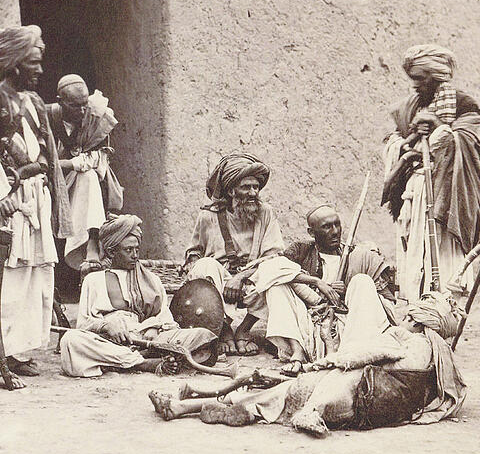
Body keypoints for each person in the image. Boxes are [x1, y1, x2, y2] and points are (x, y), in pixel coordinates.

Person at [148, 285, 466, 437]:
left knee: (298, 387)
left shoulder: (406, 338)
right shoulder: (438, 357)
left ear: (420, 320)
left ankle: (310, 412)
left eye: (411, 314)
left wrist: (320, 364)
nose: (406, 316)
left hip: (359, 397)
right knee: (284, 389)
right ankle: (187, 404)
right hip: (373, 405)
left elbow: (365, 355)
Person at [0, 25, 72, 389]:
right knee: (7, 280)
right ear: (13, 64)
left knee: (35, 278)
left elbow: (45, 154)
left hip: (35, 199)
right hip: (9, 205)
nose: (40, 70)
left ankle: (16, 352)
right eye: (34, 62)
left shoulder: (35, 102)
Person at [382, 44, 480, 303]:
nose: (415, 85)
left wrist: (439, 127)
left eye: (420, 79)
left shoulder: (463, 105)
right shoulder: (409, 107)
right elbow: (392, 141)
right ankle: (416, 309)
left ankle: (443, 312)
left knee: (441, 257)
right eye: (412, 79)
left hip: (446, 196)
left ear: (437, 76)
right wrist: (406, 147)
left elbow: (467, 146)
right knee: (413, 252)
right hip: (414, 192)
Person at [60, 214, 218, 377]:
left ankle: (120, 362)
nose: (135, 255)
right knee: (71, 340)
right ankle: (142, 363)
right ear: (111, 251)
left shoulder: (152, 280)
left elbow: (167, 319)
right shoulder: (94, 280)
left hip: (149, 340)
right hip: (109, 341)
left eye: (137, 249)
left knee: (203, 337)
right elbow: (83, 323)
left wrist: (154, 326)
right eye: (128, 250)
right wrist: (106, 326)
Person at [247, 204, 397, 373]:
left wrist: (349, 293)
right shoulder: (301, 250)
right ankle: (297, 352)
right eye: (326, 227)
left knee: (362, 281)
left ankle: (350, 356)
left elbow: (388, 305)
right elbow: (268, 269)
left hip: (348, 329)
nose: (335, 231)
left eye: (337, 224)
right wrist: (317, 283)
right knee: (277, 286)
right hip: (309, 328)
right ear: (312, 232)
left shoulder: (359, 256)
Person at [183, 152, 286, 355]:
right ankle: (224, 331)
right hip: (220, 281)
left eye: (256, 187)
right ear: (231, 191)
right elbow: (194, 252)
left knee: (278, 268)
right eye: (245, 187)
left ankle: (244, 330)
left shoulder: (265, 213)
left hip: (252, 277)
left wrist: (241, 277)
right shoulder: (207, 216)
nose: (253, 192)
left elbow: (274, 253)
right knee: (204, 266)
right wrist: (193, 265)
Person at [47, 74, 123, 282]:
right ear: (60, 101)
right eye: (75, 106)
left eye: (84, 104)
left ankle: (92, 240)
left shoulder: (96, 117)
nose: (81, 111)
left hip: (81, 186)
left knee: (88, 176)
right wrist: (66, 165)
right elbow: (38, 160)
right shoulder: (45, 117)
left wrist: (68, 165)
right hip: (50, 185)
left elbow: (97, 160)